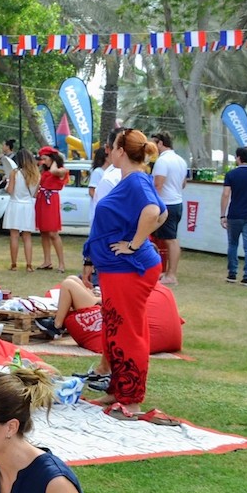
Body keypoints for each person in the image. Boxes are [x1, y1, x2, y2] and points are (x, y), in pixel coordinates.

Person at [84, 129, 168, 422]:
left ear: (120, 150)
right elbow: (162, 214)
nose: (108, 149)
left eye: (112, 146)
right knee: (115, 329)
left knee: (127, 331)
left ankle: (130, 399)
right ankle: (117, 390)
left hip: (128, 269)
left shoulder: (136, 180)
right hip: (117, 269)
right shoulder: (132, 179)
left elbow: (154, 212)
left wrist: (133, 244)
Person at [221, 145, 247, 285]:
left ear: (239, 158)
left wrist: (223, 215)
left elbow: (226, 194)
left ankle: (232, 273)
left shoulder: (231, 174)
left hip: (235, 214)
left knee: (233, 244)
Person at [150, 131, 186, 287]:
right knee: (171, 239)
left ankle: (171, 274)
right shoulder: (181, 160)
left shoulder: (162, 161)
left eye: (154, 144)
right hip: (177, 202)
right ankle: (169, 272)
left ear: (160, 143)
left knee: (170, 240)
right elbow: (183, 183)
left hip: (166, 203)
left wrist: (152, 203)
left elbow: (158, 184)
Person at [5, 149, 40, 270]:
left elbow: (10, 190)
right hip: (28, 205)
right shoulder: (36, 174)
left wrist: (7, 184)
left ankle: (14, 264)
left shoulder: (14, 173)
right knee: (27, 236)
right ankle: (29, 265)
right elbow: (35, 194)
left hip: (15, 204)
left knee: (14, 235)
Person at [36, 149, 69, 273]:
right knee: (43, 232)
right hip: (42, 199)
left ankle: (61, 263)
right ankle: (47, 261)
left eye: (45, 158)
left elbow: (55, 172)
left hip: (51, 200)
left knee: (53, 233)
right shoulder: (44, 170)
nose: (43, 161)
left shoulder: (61, 170)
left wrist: (54, 161)